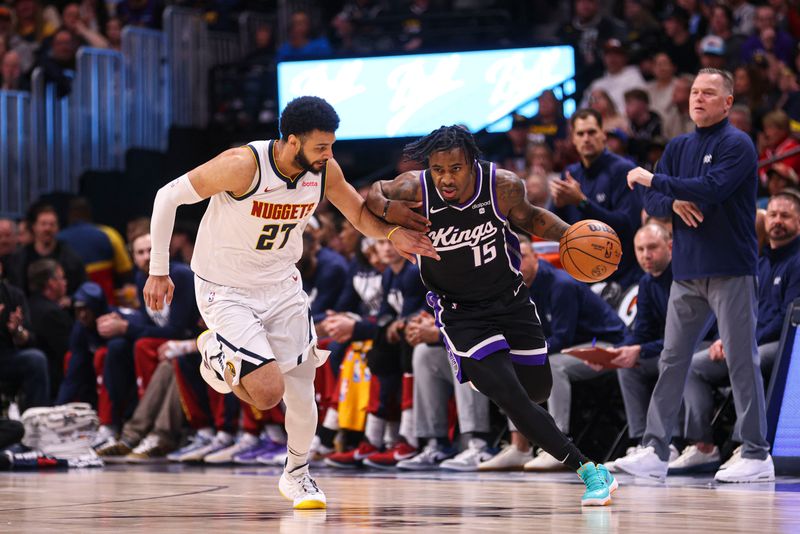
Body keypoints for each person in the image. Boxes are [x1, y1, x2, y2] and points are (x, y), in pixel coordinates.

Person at [143, 96, 437, 510]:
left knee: (302, 393)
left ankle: (297, 475)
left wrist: (392, 235)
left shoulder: (324, 170)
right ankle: (213, 354)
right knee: (266, 392)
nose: (329, 155)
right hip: (226, 288)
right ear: (292, 140)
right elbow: (167, 197)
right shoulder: (243, 165)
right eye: (321, 147)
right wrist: (159, 269)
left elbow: (357, 214)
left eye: (332, 146)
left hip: (282, 287)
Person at [366, 124, 618, 506]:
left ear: (472, 164)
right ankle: (590, 471)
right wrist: (387, 210)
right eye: (437, 170)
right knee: (513, 397)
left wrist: (572, 235)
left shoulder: (501, 186)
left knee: (536, 392)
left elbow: (531, 218)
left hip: (512, 301)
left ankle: (506, 390)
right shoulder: (414, 189)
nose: (446, 178)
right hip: (460, 313)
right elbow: (372, 193)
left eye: (455, 169)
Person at [621, 68, 773, 483]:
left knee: (743, 359)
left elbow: (710, 188)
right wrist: (672, 203)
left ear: (727, 102)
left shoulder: (738, 145)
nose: (698, 98)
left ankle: (757, 453)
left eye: (709, 93)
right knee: (671, 359)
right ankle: (655, 449)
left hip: (730, 268)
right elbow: (652, 199)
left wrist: (658, 182)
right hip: (687, 271)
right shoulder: (678, 145)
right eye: (694, 92)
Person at [673, 192, 800, 473]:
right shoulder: (760, 261)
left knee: (748, 359)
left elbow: (787, 318)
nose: (777, 221)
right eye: (774, 215)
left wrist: (739, 342)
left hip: (784, 346)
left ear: (799, 222)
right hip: (746, 340)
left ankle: (748, 446)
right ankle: (702, 445)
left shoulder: (797, 262)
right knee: (691, 365)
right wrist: (724, 339)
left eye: (786, 215)